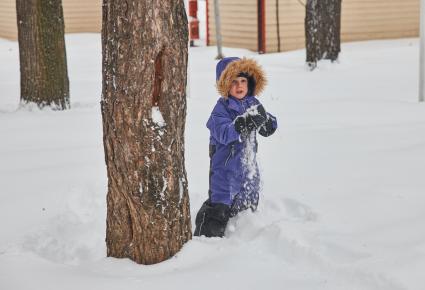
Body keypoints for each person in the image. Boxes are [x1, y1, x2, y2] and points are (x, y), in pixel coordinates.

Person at [194, 57, 278, 238]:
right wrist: (242, 124)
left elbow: (267, 123)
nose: (239, 86)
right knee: (220, 206)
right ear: (224, 85)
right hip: (224, 170)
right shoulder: (220, 109)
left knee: (248, 202)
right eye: (233, 82)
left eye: (243, 81)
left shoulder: (253, 104)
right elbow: (223, 133)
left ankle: (243, 234)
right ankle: (205, 236)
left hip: (248, 168)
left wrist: (267, 123)